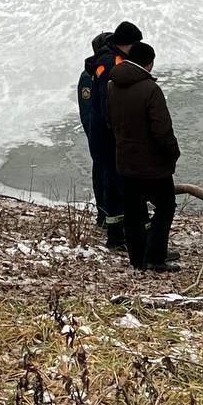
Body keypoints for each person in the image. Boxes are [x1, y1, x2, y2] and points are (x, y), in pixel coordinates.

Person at [107, 41, 181, 272]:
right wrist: (173, 152)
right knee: (166, 206)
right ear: (148, 63)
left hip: (125, 161)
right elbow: (162, 131)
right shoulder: (150, 89)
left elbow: (109, 122)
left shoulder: (112, 85)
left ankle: (137, 258)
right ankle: (156, 256)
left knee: (133, 211)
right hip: (153, 164)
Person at [87, 20, 143, 249]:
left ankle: (116, 234)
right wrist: (118, 129)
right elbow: (107, 100)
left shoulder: (110, 57)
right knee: (124, 185)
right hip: (108, 133)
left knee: (113, 183)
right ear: (127, 43)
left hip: (105, 132)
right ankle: (135, 238)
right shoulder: (110, 62)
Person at [77, 31, 113, 227]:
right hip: (99, 137)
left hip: (103, 137)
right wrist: (97, 134)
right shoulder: (89, 75)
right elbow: (88, 111)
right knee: (102, 175)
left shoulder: (100, 71)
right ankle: (104, 215)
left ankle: (108, 215)